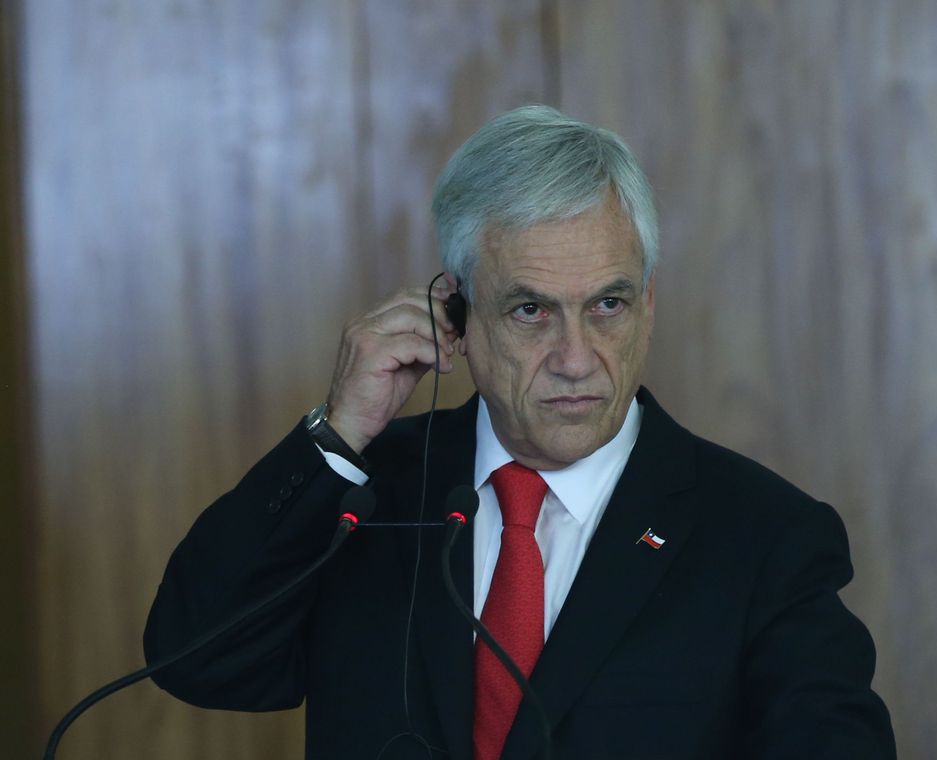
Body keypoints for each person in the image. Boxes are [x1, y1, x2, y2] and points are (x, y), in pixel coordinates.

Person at [144, 105, 895, 760]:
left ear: (648, 304)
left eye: (607, 305)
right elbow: (195, 659)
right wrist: (336, 441)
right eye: (531, 310)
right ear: (457, 315)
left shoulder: (766, 537)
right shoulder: (365, 496)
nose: (576, 359)